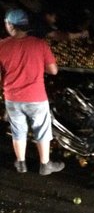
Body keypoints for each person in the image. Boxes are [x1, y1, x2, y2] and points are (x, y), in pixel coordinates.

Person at [0, 9, 65, 175]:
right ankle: (45, 165)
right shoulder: (39, 44)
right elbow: (53, 71)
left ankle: (21, 163)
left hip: (12, 97)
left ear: (11, 26)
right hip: (36, 97)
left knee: (18, 129)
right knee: (41, 129)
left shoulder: (2, 46)